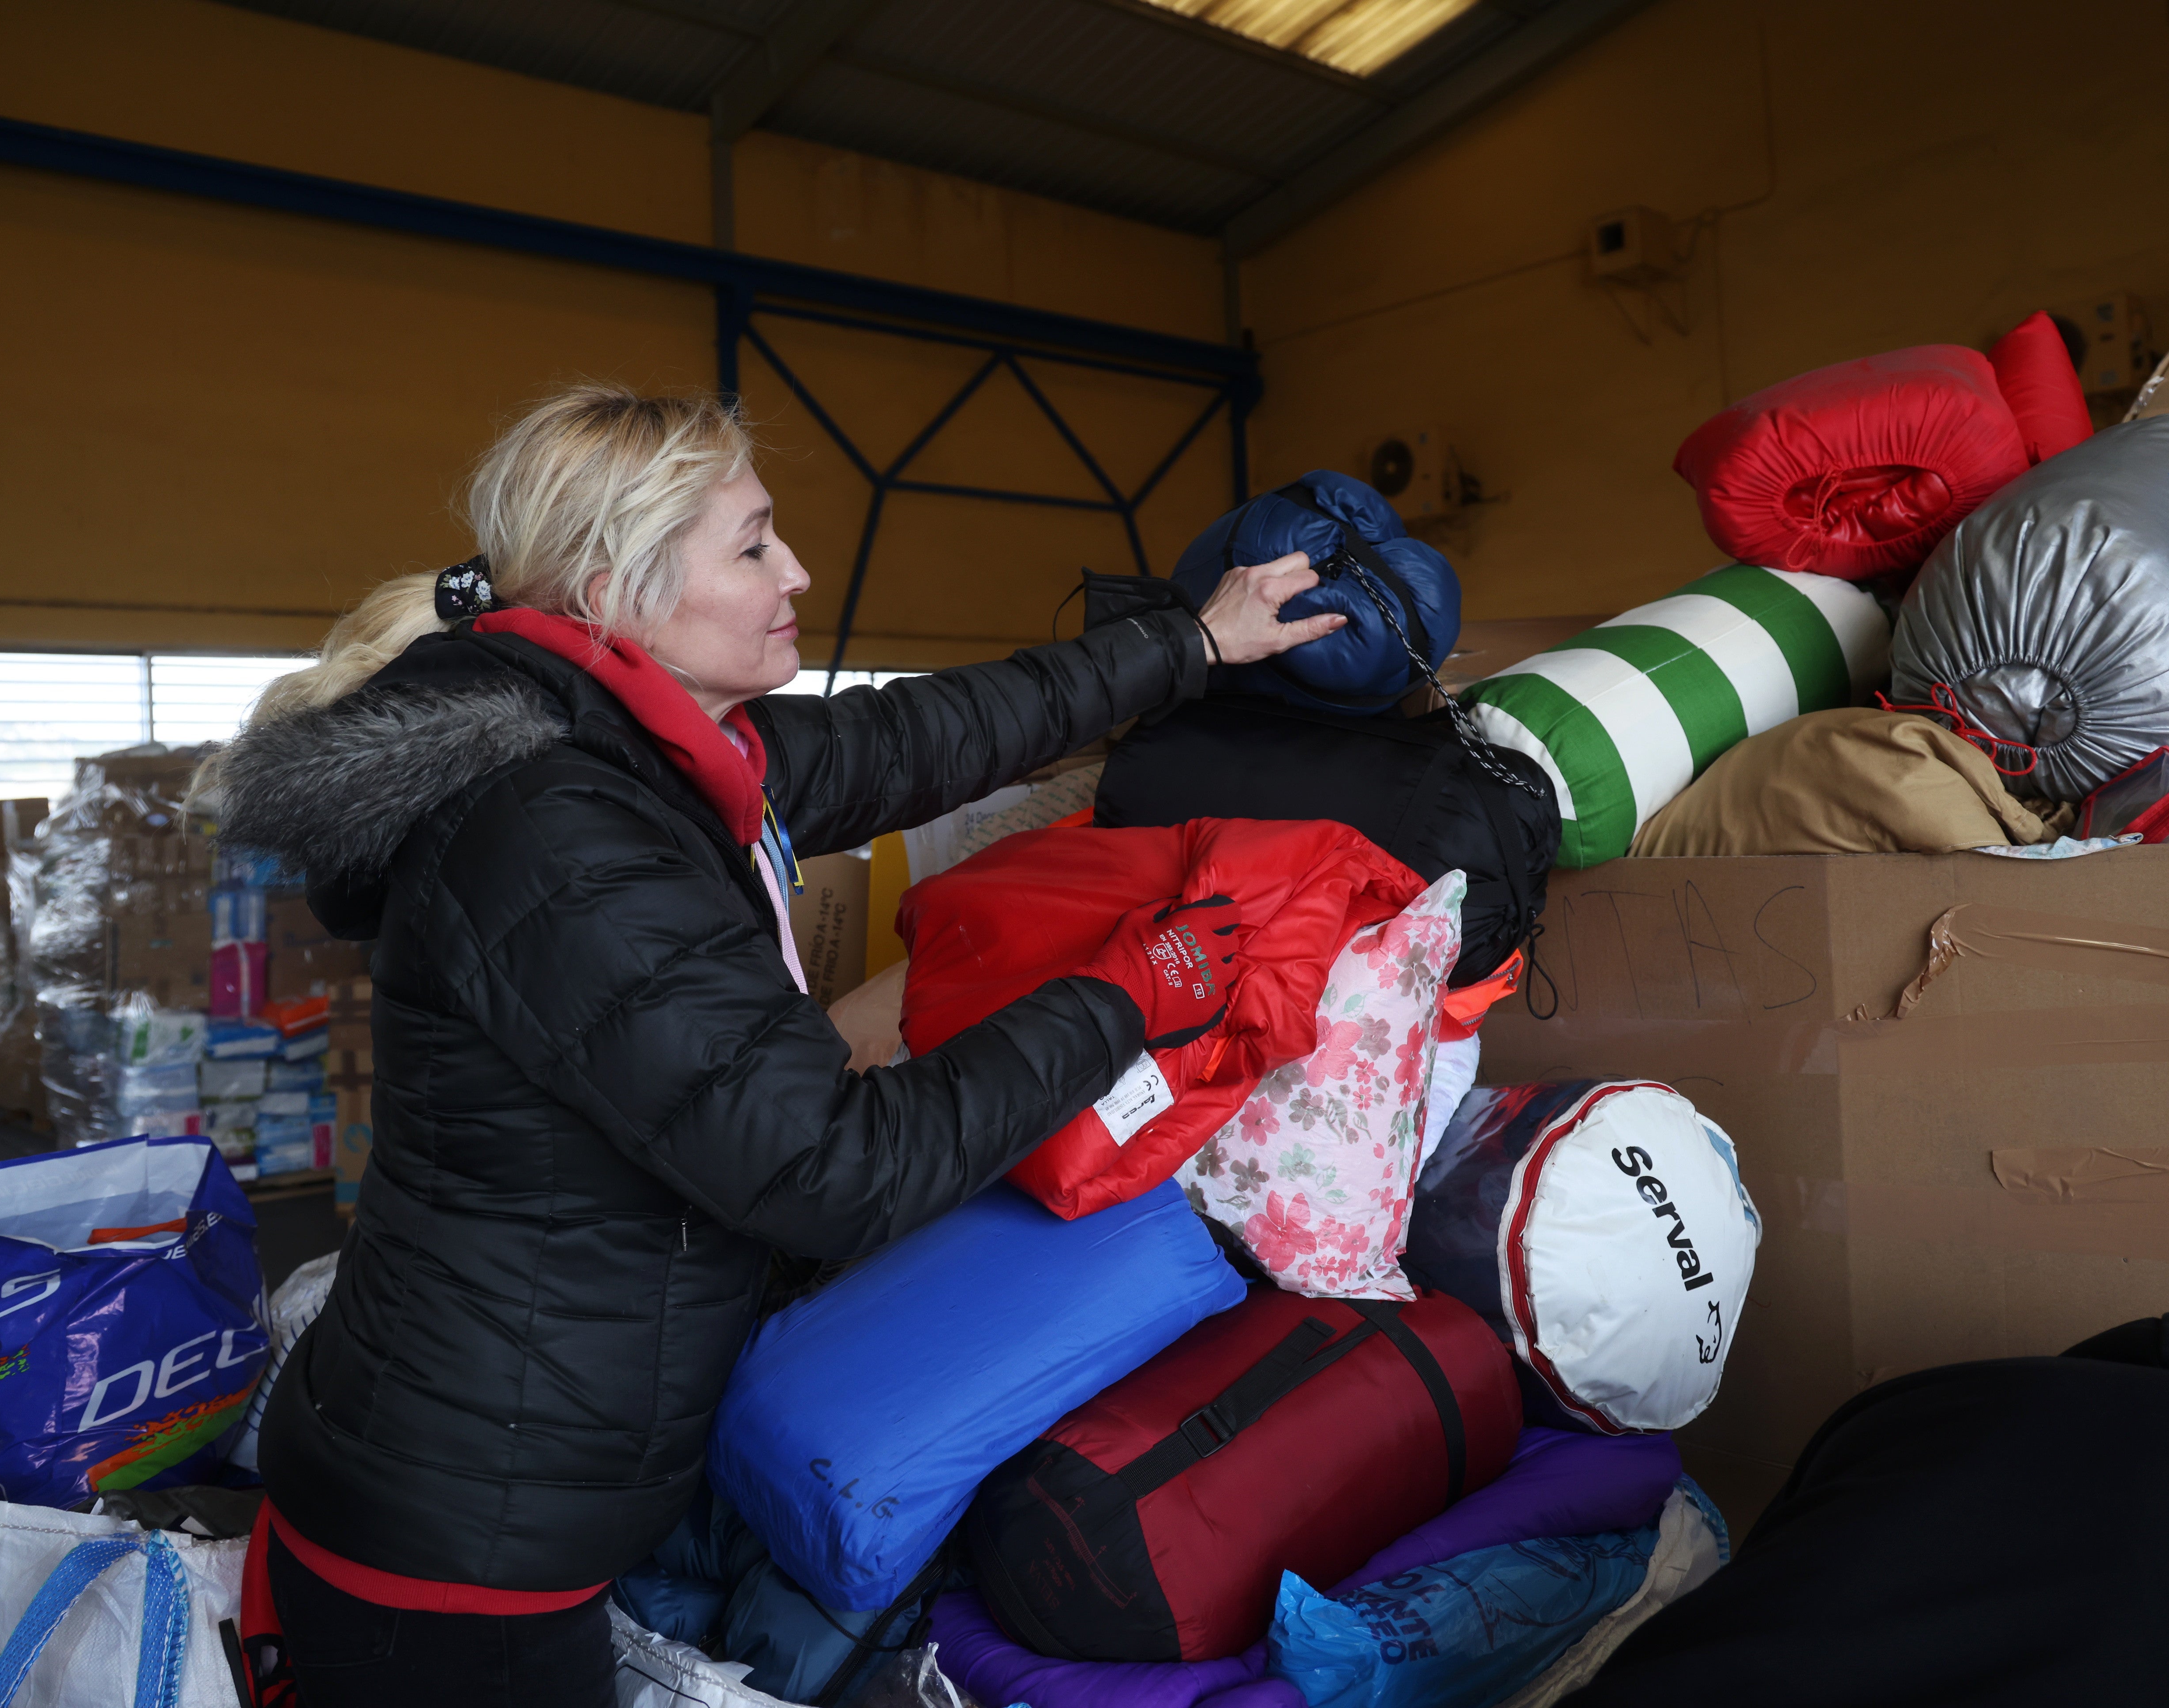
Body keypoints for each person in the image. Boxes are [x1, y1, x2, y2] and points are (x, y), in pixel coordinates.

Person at [210, 383, 1346, 1707]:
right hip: (462, 1547)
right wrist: (1124, 995)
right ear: (612, 584)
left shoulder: (649, 751)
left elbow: (931, 733)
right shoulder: (560, 835)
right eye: (752, 545)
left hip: (491, 1481)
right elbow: (836, 1166)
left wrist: (1195, 642)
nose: (795, 568)